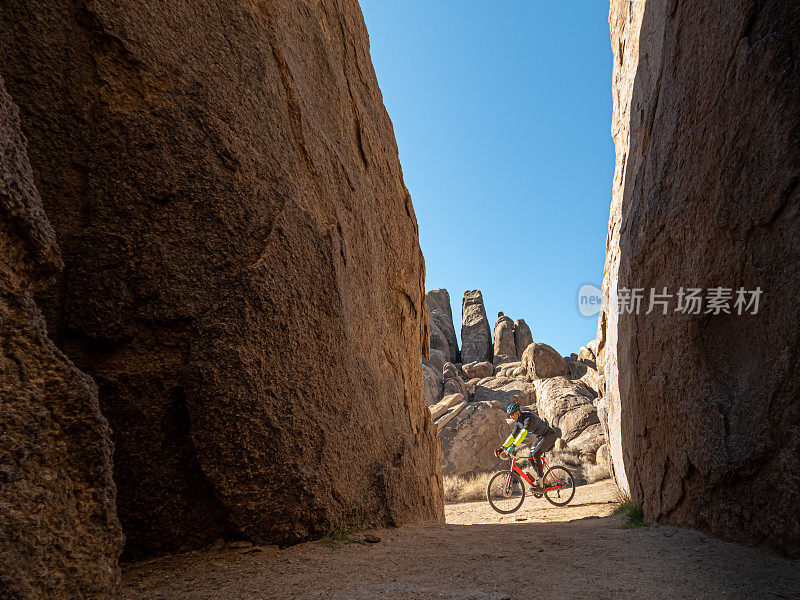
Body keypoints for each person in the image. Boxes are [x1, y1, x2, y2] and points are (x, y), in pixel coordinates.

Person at [494, 402, 558, 492]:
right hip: (540, 437)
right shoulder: (518, 423)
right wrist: (503, 447)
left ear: (518, 412)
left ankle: (540, 483)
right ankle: (544, 482)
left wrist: (513, 446)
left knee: (535, 454)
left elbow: (523, 433)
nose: (511, 417)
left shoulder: (528, 418)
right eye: (510, 415)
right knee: (531, 457)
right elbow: (513, 436)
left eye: (512, 414)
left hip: (549, 435)